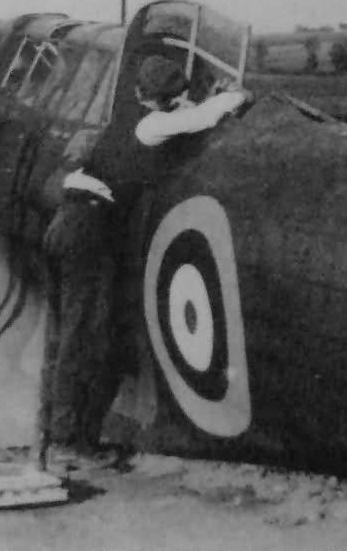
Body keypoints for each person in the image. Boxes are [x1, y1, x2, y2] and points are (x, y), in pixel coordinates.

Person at [39, 54, 252, 471]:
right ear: (170, 97)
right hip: (89, 229)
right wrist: (235, 96)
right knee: (85, 338)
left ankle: (60, 434)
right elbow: (200, 119)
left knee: (72, 334)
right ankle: (68, 441)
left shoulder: (128, 118)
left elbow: (182, 115)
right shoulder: (153, 124)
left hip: (69, 221)